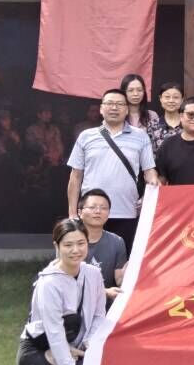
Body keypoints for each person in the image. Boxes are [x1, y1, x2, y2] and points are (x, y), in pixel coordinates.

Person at [16, 217, 107, 365]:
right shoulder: (48, 283)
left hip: (76, 347)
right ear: (57, 246)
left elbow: (99, 315)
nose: (76, 250)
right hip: (38, 351)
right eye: (68, 245)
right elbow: (54, 331)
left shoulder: (93, 274)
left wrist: (89, 344)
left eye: (81, 243)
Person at [66, 88, 157, 252]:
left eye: (120, 104)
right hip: (92, 211)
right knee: (89, 258)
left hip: (126, 211)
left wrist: (152, 189)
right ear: (101, 109)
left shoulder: (140, 136)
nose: (114, 108)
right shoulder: (86, 136)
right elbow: (76, 177)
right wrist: (72, 213)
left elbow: (149, 172)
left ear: (127, 109)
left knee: (123, 258)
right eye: (110, 103)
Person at [76, 188, 128, 299]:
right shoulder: (70, 240)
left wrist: (129, 273)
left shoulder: (117, 241)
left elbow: (119, 280)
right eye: (92, 207)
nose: (98, 211)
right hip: (75, 303)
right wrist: (104, 292)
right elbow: (66, 282)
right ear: (80, 212)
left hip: (106, 305)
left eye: (104, 208)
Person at [148, 82, 184, 153]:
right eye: (167, 97)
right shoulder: (152, 126)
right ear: (160, 98)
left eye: (176, 97)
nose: (171, 100)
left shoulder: (188, 123)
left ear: (182, 100)